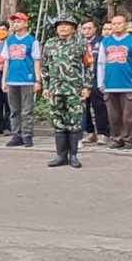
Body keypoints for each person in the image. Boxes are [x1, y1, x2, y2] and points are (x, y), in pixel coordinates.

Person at [41, 15, 92, 168]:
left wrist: (87, 86)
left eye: (66, 25)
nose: (62, 27)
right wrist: (45, 86)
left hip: (74, 89)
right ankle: (60, 155)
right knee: (58, 121)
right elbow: (45, 66)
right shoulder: (50, 44)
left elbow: (89, 66)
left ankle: (73, 156)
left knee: (74, 122)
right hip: (55, 89)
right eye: (59, 25)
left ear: (74, 28)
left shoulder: (81, 44)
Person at [97, 14, 132, 150]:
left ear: (125, 25)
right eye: (114, 23)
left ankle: (128, 139)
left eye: (119, 23)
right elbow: (101, 63)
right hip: (110, 84)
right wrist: (101, 83)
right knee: (113, 116)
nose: (116, 26)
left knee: (128, 116)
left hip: (128, 84)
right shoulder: (105, 42)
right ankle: (116, 138)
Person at [1, 12, 42, 147]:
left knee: (27, 110)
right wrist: (4, 79)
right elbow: (6, 61)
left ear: (26, 23)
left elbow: (36, 61)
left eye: (19, 21)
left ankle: (27, 135)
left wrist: (37, 80)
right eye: (14, 22)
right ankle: (16, 135)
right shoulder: (9, 41)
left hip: (27, 79)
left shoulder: (32, 41)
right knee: (14, 110)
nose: (16, 24)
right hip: (12, 79)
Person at [80, 20, 110, 144]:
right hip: (81, 78)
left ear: (95, 29)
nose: (86, 31)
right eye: (84, 28)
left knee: (99, 106)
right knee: (83, 107)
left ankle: (103, 133)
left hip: (96, 78)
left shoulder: (101, 42)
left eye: (89, 28)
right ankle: (90, 132)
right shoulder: (79, 43)